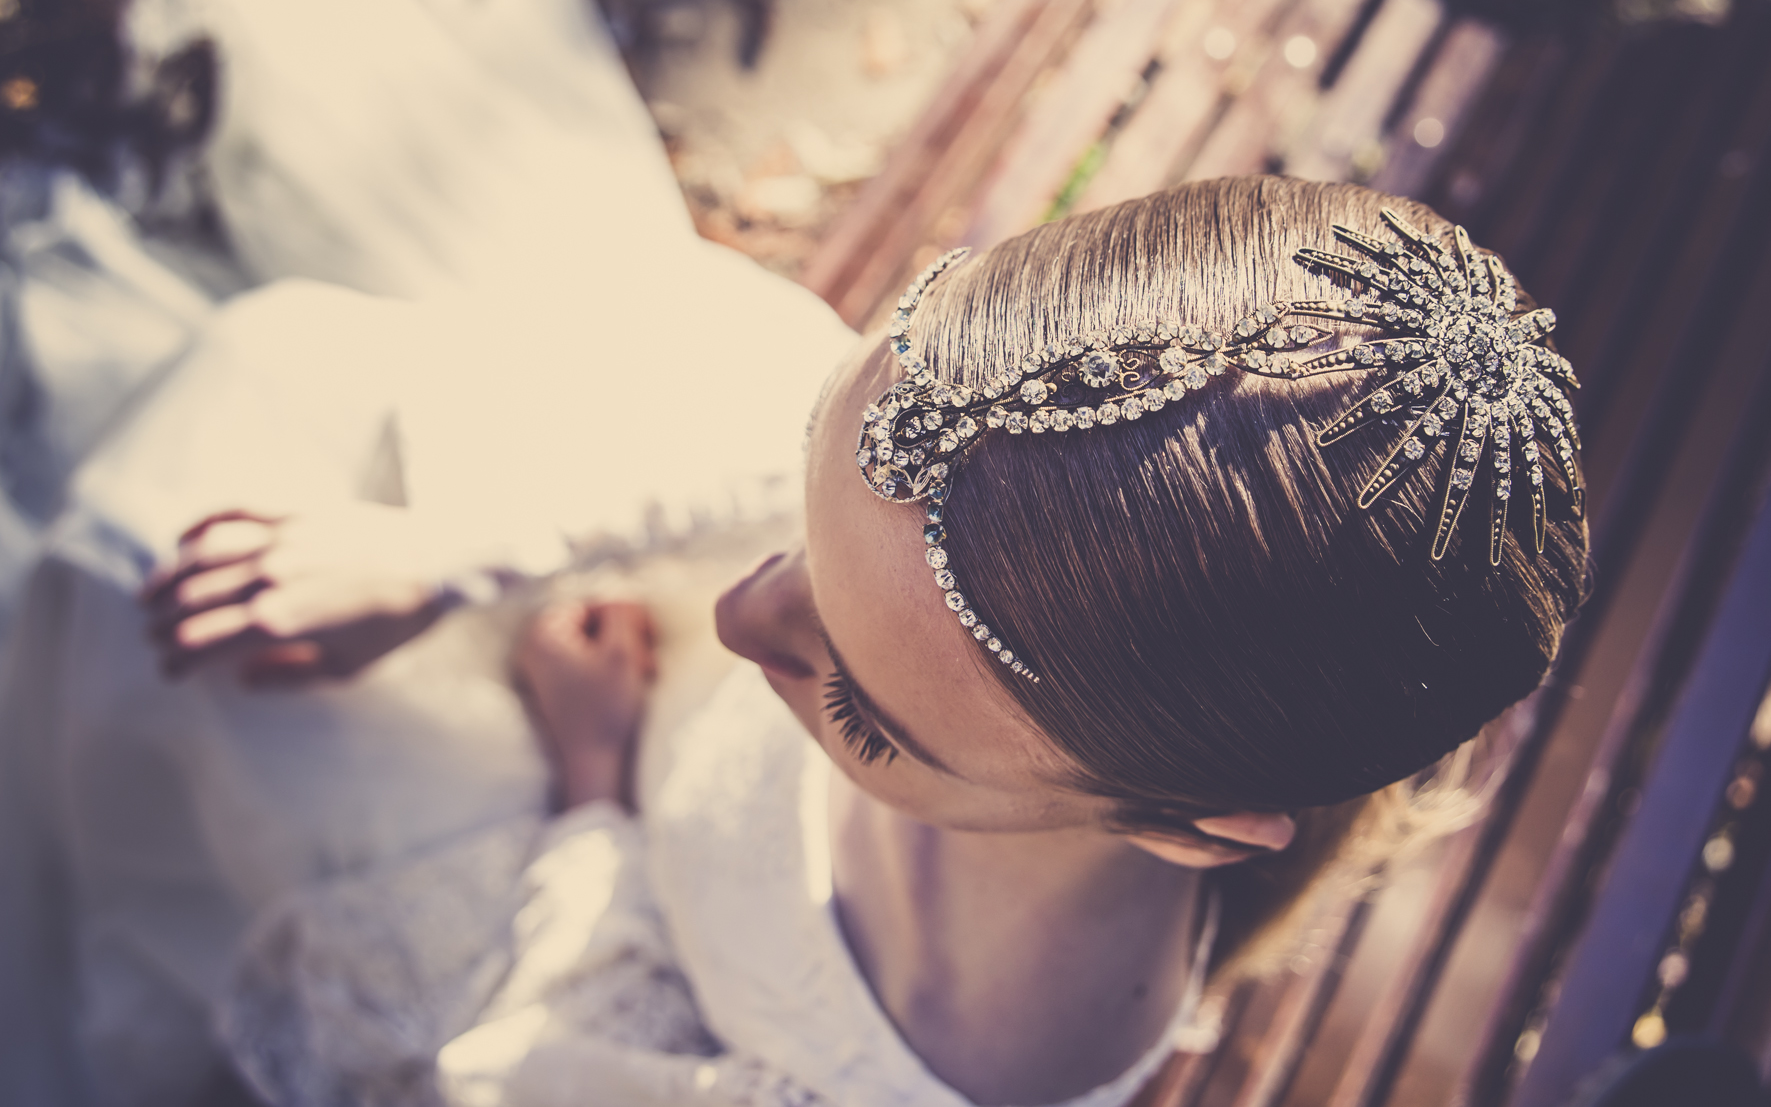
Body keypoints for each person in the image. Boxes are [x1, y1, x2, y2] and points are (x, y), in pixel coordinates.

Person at [155, 177, 1586, 1107]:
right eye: (814, 482)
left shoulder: (922, 1065)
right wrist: (458, 556)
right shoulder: (1014, 476)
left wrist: (594, 791)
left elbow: (553, 1072)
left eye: (865, 717)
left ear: (1187, 829)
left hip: (582, 859)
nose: (735, 614)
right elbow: (775, 496)